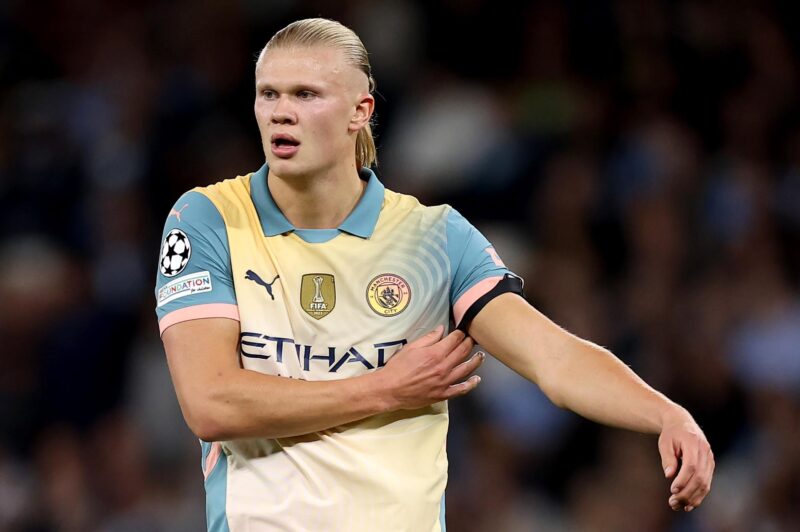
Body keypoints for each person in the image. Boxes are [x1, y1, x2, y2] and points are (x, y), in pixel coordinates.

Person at [155, 17, 714, 532]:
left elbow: (555, 358)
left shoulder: (432, 236)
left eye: (306, 95)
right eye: (268, 94)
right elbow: (211, 403)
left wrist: (666, 413)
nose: (280, 112)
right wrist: (385, 388)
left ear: (359, 111)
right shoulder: (209, 219)